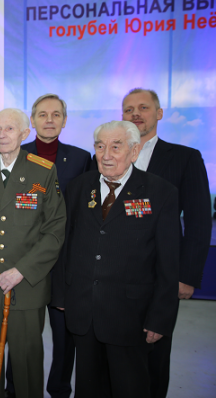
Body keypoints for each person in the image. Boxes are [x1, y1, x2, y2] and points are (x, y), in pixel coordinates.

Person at [51, 120, 179, 397]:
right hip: (83, 312)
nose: (106, 155)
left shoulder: (160, 193)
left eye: (115, 147)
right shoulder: (78, 187)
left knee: (129, 388)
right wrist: (60, 295)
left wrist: (160, 318)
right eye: (100, 147)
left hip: (131, 316)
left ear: (134, 152)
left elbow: (168, 264)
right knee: (88, 387)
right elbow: (64, 244)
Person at [0, 108, 66, 398]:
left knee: (28, 364)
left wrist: (22, 270)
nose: (2, 134)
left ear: (24, 133)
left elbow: (55, 229)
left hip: (27, 286)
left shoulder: (43, 171)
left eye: (9, 129)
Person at [120, 88, 212, 397]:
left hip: (161, 277)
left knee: (154, 355)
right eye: (129, 109)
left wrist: (187, 276)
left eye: (143, 107)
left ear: (159, 114)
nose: (136, 113)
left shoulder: (185, 158)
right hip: (112, 277)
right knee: (114, 355)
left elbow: (199, 222)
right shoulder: (106, 157)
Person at [5, 94, 90, 398]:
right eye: (42, 114)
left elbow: (85, 211)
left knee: (64, 336)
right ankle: (15, 388)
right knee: (21, 333)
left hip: (64, 261)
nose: (49, 120)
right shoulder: (16, 153)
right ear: (32, 120)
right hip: (23, 260)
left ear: (64, 121)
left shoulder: (81, 159)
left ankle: (59, 389)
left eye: (56, 114)